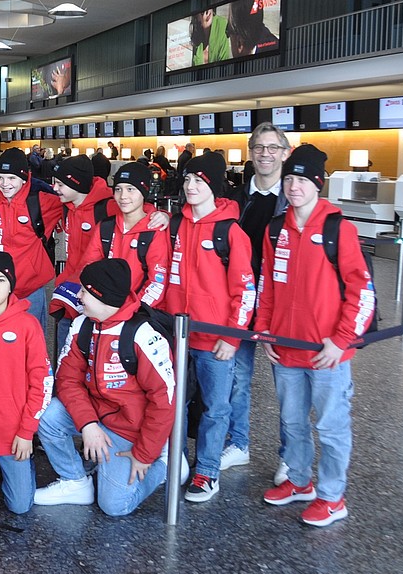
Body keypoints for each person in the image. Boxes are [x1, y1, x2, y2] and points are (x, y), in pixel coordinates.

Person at [257, 145, 374, 527]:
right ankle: (299, 481)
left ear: (318, 184)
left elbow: (362, 291)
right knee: (292, 422)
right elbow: (267, 287)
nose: (294, 186)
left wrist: (341, 340)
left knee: (331, 425)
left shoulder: (340, 229)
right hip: (287, 349)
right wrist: (266, 332)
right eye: (289, 178)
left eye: (302, 180)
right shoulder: (276, 229)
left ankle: (332, 496)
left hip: (327, 352)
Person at [33, 259, 176, 516]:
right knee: (47, 416)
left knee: (114, 506)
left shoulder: (144, 335)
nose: (79, 296)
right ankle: (76, 481)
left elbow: (164, 402)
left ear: (103, 297)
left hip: (130, 430)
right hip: (94, 415)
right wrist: (88, 424)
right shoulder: (82, 325)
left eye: (85, 292)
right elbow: (67, 380)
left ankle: (166, 463)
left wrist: (144, 454)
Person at [162, 151, 255, 504]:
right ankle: (178, 463)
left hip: (214, 339)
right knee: (174, 404)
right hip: (176, 334)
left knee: (215, 408)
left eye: (198, 181)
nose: (190, 186)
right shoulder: (175, 225)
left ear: (214, 187)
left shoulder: (230, 232)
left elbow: (245, 289)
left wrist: (233, 336)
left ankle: (207, 471)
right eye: (187, 180)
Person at [221, 122, 291, 479]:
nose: (265, 154)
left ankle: (290, 457)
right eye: (259, 148)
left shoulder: (295, 198)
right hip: (239, 302)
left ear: (285, 153)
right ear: (251, 153)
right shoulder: (233, 199)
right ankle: (239, 443)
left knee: (288, 384)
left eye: (272, 148)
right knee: (237, 377)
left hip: (281, 305)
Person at [0, 252, 53, 515]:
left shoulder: (27, 326)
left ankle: (13, 471)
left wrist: (27, 432)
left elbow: (42, 382)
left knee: (19, 506)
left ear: (11, 284)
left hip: (12, 434)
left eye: (1, 280)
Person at [0, 148, 61, 327]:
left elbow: (77, 199)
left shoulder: (41, 202)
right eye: (0, 177)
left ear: (25, 177)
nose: (5, 184)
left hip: (30, 289)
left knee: (32, 344)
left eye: (12, 178)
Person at [49, 154, 117, 355]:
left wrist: (160, 215)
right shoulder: (67, 207)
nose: (55, 188)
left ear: (76, 184)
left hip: (98, 297)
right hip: (70, 295)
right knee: (66, 356)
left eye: (61, 184)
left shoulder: (107, 208)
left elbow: (139, 211)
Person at [83, 162, 170, 306]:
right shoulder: (105, 227)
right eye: (118, 189)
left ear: (144, 192)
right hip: (106, 310)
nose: (123, 196)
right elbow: (89, 268)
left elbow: (157, 282)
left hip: (140, 314)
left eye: (130, 189)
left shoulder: (154, 230)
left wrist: (131, 309)